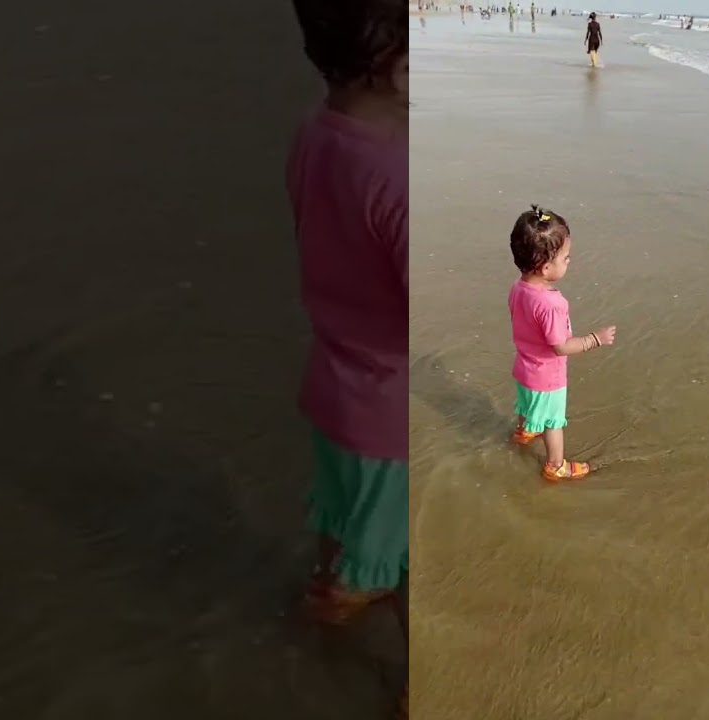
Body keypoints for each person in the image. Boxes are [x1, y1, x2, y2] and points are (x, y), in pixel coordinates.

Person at [288, 0, 409, 713]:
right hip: (390, 415)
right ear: (398, 69)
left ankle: (332, 597)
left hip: (333, 383)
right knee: (421, 567)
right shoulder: (396, 178)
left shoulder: (312, 134)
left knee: (342, 513)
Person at [508, 205, 616, 482]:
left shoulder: (519, 289)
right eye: (566, 258)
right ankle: (555, 465)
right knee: (553, 423)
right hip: (547, 378)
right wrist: (595, 340)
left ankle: (524, 433)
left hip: (524, 368)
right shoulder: (551, 304)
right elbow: (561, 346)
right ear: (546, 267)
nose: (569, 262)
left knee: (526, 405)